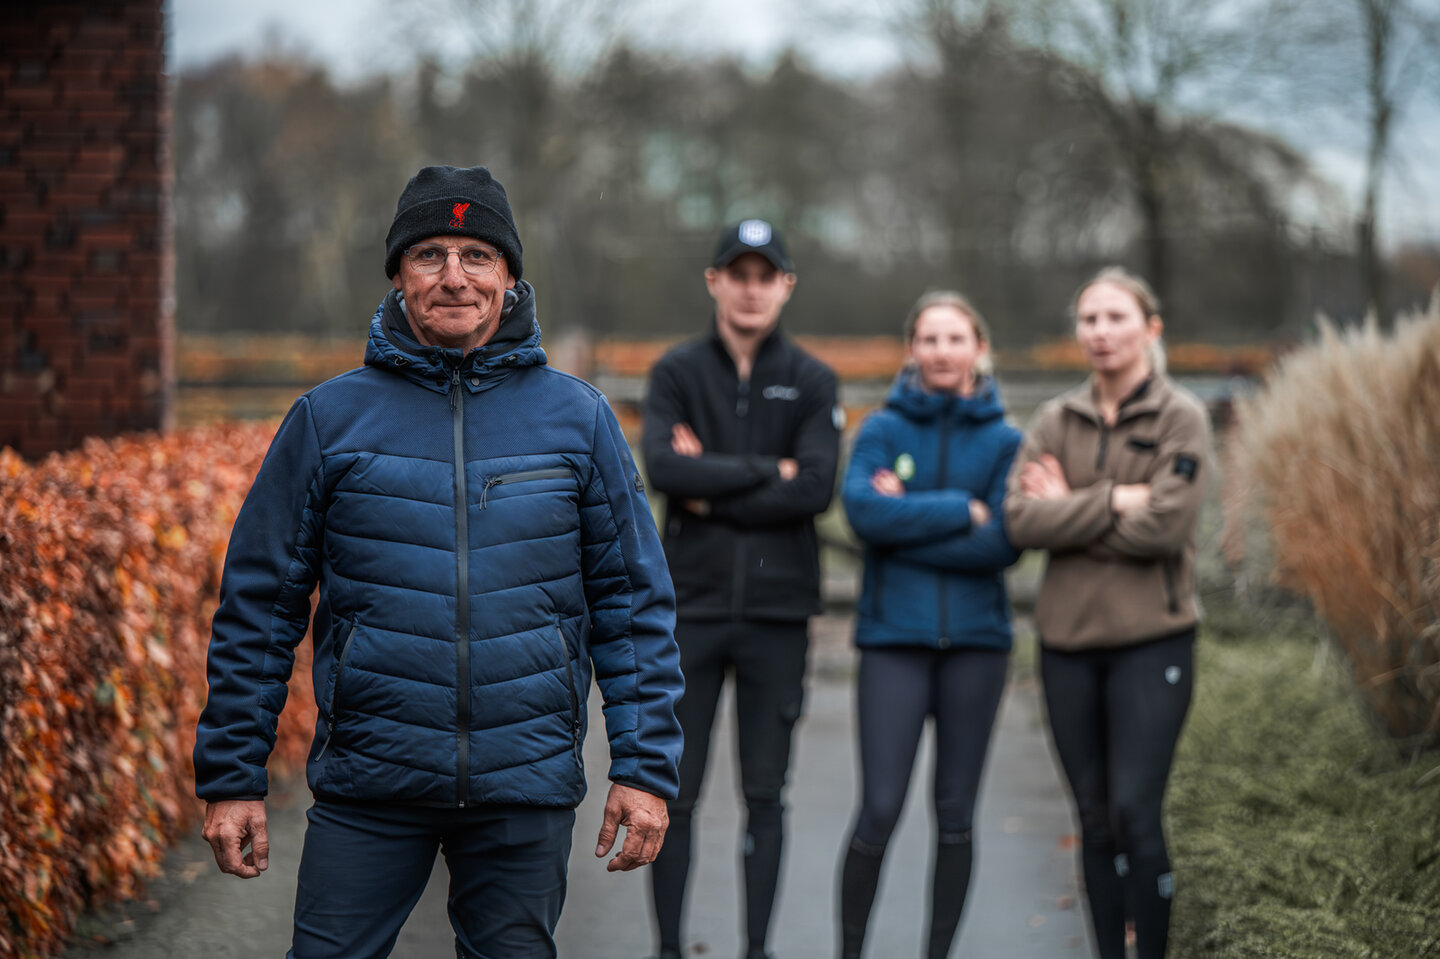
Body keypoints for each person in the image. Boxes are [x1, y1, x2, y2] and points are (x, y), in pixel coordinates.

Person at [192, 164, 684, 959]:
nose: (455, 276)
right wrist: (232, 775)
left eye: (477, 255)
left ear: (509, 275)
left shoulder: (579, 419)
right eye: (430, 254)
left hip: (524, 786)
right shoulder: (327, 419)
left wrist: (645, 768)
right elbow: (258, 609)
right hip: (369, 785)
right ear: (398, 274)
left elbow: (633, 608)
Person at [641, 219, 841, 959]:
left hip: (777, 614)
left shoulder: (813, 379)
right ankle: (668, 949)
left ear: (785, 285)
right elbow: (665, 469)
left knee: (765, 794)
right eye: (738, 274)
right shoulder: (676, 372)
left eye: (765, 276)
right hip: (688, 611)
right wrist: (768, 471)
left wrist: (711, 487)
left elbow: (816, 488)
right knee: (676, 792)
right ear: (714, 281)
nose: (751, 289)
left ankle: (758, 948)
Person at [1004, 267, 1213, 959]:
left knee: (1134, 813)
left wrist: (1070, 506)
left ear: (1151, 328)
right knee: (1093, 821)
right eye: (1089, 318)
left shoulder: (1181, 416)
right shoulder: (1055, 419)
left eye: (1116, 317)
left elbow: (1165, 530)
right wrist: (1119, 499)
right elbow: (1019, 521)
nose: (1100, 331)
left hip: (1152, 644)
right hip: (1066, 646)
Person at [836, 291, 1022, 959]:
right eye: (930, 338)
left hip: (977, 646)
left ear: (979, 348)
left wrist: (905, 522)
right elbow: (862, 512)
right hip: (894, 643)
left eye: (955, 338)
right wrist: (960, 509)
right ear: (912, 348)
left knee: (955, 814)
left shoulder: (1007, 441)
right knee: (880, 808)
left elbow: (1004, 542)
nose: (942, 351)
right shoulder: (881, 430)